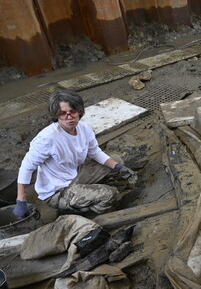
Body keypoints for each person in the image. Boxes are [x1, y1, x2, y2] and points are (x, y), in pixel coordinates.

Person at [13, 90, 138, 219]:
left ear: (79, 111)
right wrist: (21, 201)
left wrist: (118, 167)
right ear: (56, 115)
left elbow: (95, 152)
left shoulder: (84, 129)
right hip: (58, 191)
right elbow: (26, 167)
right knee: (109, 194)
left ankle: (85, 196)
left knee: (116, 160)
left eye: (73, 111)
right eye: (63, 113)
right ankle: (83, 212)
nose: (69, 117)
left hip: (75, 175)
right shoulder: (47, 139)